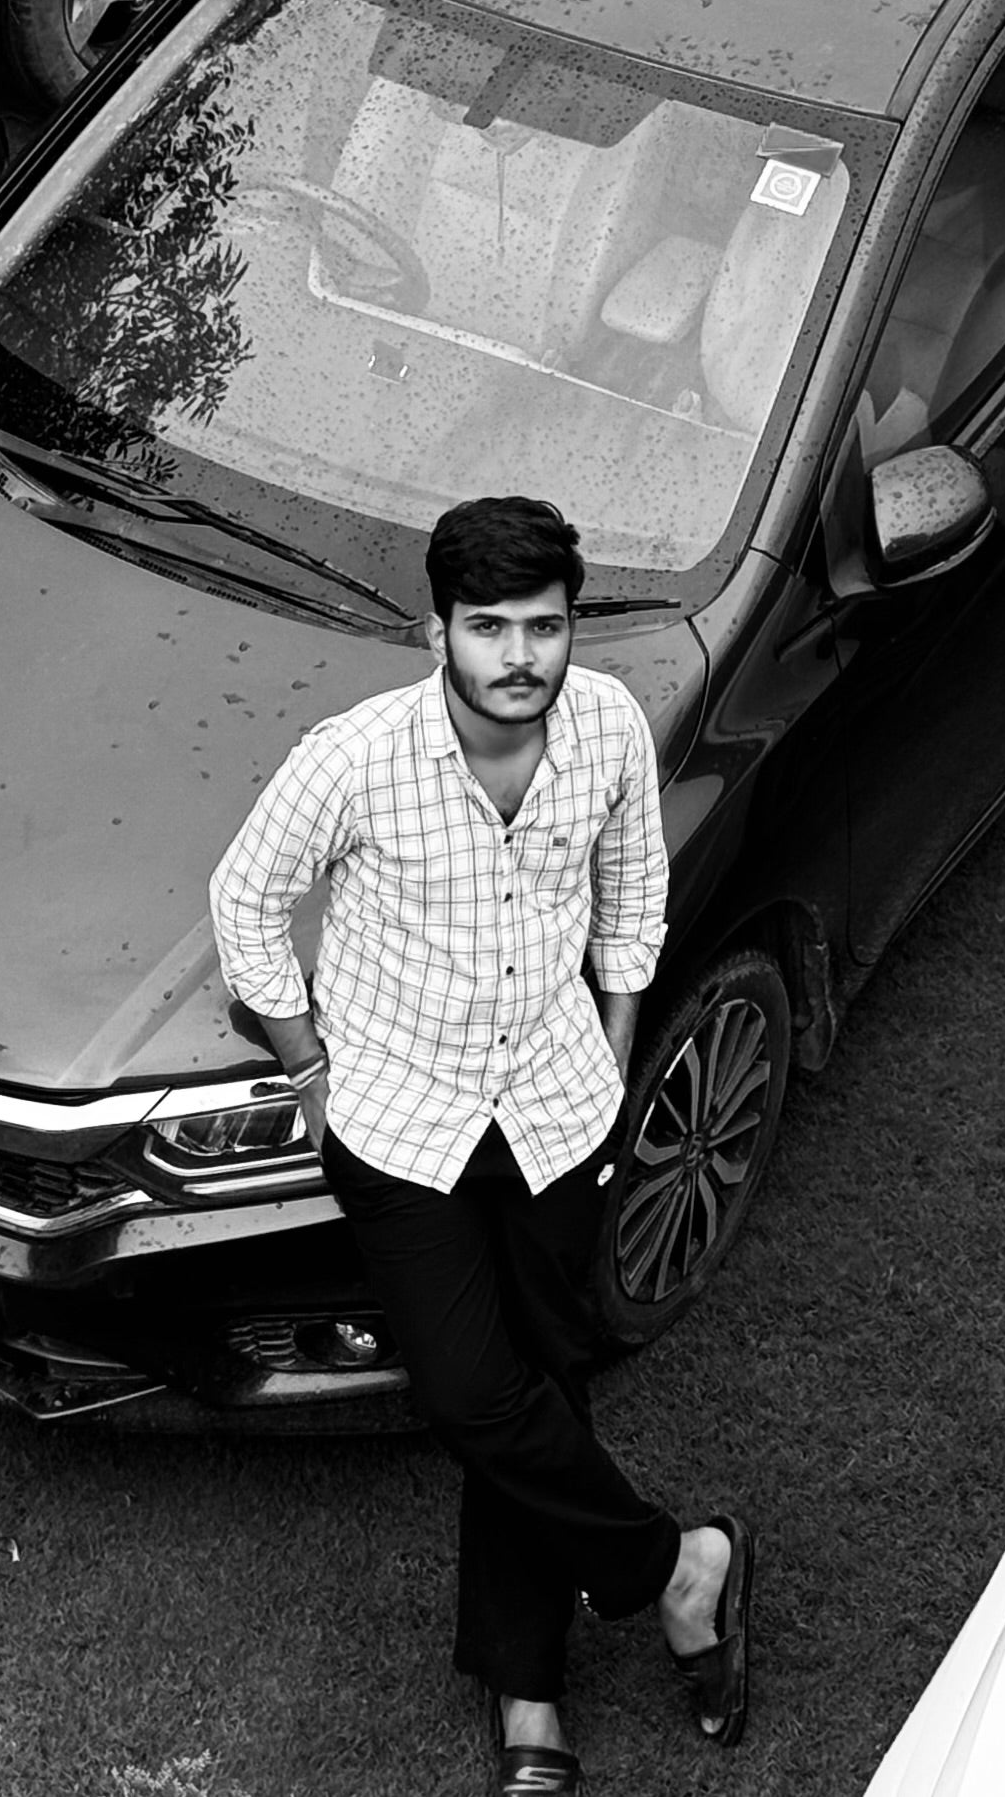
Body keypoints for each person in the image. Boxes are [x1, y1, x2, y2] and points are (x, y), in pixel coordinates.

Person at [209, 493, 753, 1794]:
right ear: (436, 628)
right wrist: (308, 1068)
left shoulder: (609, 725)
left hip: (558, 1109)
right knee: (469, 1391)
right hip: (400, 1122)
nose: (521, 656)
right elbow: (246, 900)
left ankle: (529, 1706)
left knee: (542, 1385)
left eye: (545, 627)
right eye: (491, 627)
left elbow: (634, 874)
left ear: (574, 629)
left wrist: (617, 1031)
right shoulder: (356, 758)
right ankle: (678, 1568)